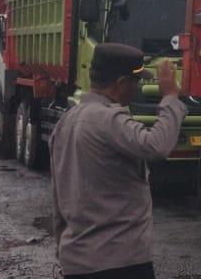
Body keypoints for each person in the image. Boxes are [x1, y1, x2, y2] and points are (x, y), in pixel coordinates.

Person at [49, 43, 186, 279]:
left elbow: (58, 199)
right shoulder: (109, 119)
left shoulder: (64, 123)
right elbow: (156, 146)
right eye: (136, 82)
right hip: (119, 262)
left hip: (76, 262)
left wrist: (64, 251)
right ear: (121, 83)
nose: (136, 88)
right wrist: (170, 98)